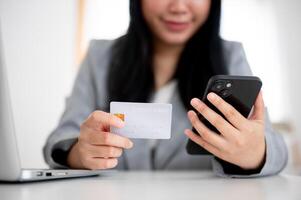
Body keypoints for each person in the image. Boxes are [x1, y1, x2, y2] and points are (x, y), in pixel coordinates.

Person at [43, 0, 288, 177]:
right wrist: (78, 153)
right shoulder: (100, 56)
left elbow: (275, 149)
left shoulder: (230, 56)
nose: (179, 7)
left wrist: (255, 153)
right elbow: (59, 141)